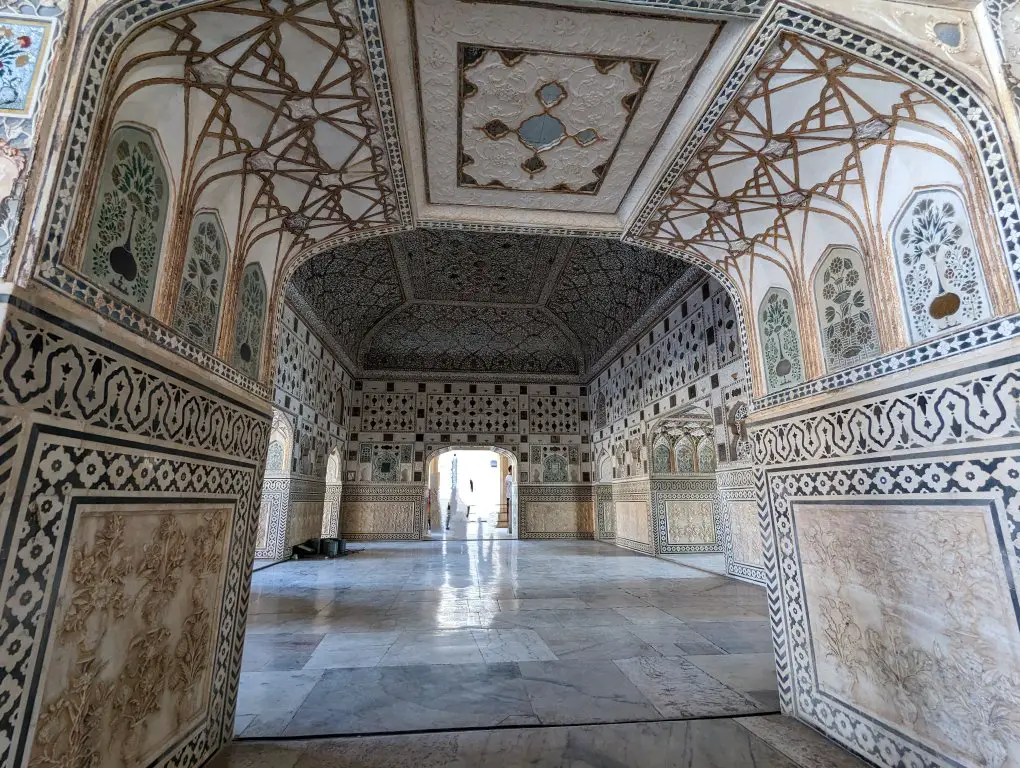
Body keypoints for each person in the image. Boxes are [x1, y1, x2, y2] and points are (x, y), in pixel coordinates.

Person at [504, 466, 514, 535]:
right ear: (510, 470)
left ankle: (511, 528)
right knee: (510, 513)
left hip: (511, 497)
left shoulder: (509, 477)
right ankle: (510, 528)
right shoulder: (509, 477)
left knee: (511, 512)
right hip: (510, 497)